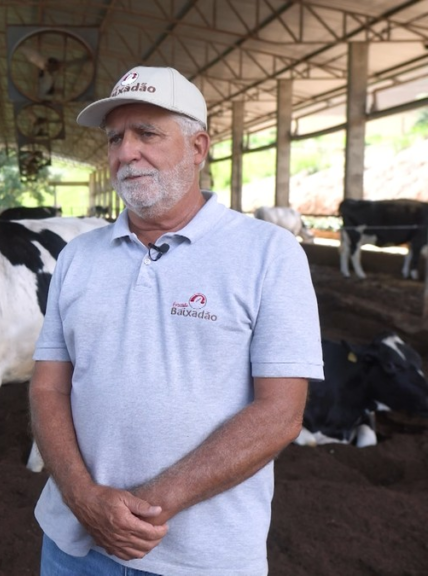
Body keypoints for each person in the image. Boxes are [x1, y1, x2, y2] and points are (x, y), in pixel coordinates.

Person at [29, 65, 323, 576]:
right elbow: (48, 389)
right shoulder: (78, 256)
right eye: (115, 137)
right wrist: (82, 498)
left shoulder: (268, 253)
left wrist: (147, 508)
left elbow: (280, 414)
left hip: (202, 558)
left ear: (198, 147)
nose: (125, 152)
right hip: (72, 545)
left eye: (147, 134)